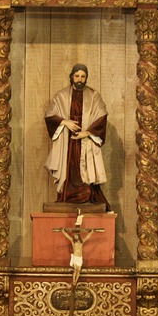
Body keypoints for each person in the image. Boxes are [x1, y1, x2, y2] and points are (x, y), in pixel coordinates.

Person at [44, 64, 109, 209]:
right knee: (68, 167)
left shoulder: (93, 96)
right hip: (67, 139)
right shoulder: (61, 95)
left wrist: (86, 133)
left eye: (83, 76)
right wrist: (65, 122)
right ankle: (67, 194)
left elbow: (102, 117)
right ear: (72, 77)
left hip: (85, 139)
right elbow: (50, 115)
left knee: (85, 168)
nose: (80, 79)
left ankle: (86, 194)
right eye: (77, 76)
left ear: (86, 78)